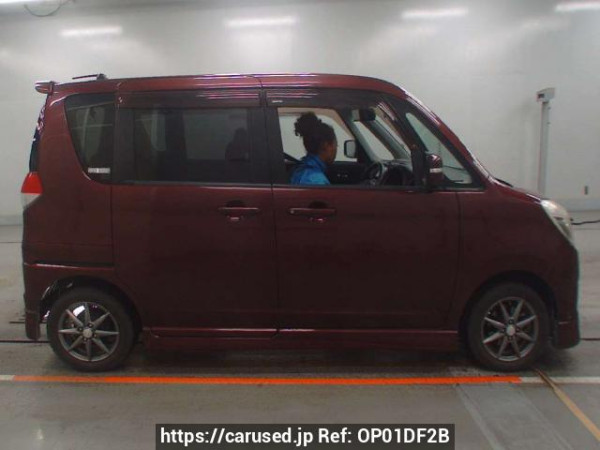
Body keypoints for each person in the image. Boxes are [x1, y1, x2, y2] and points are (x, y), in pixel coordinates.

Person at [290, 112, 338, 185]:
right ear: (326, 145)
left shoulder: (299, 169)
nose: (336, 150)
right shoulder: (317, 181)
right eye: (336, 145)